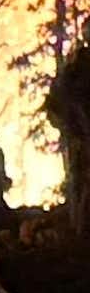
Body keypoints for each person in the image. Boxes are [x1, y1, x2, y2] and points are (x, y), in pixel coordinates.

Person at [49, 43, 90, 239]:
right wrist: (71, 129)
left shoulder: (73, 70)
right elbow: (55, 105)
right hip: (80, 140)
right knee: (81, 183)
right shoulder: (74, 71)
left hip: (79, 137)